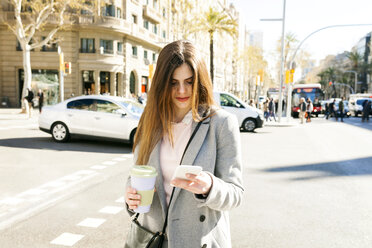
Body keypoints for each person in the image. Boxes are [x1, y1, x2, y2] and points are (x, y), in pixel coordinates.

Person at [124, 40, 244, 248]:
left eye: (189, 81)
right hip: (151, 239)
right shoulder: (150, 121)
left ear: (200, 80)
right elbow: (137, 173)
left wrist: (209, 186)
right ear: (162, 83)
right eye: (173, 82)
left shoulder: (222, 123)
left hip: (197, 241)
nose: (182, 90)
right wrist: (130, 197)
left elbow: (236, 193)